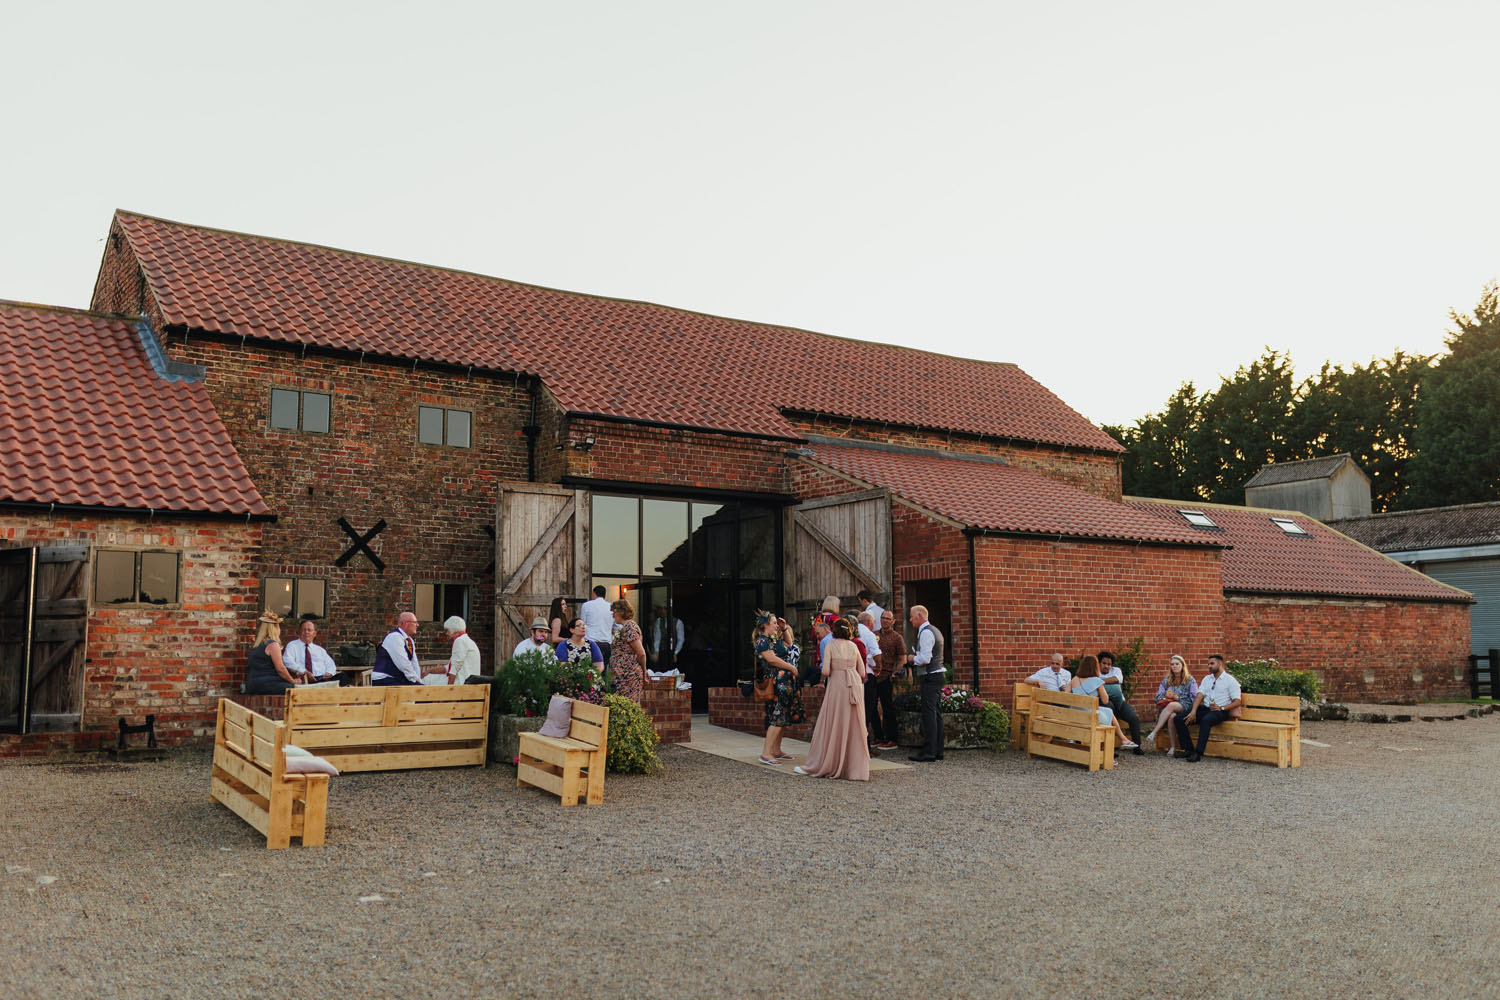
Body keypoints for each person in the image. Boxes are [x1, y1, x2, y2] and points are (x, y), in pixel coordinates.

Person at [795, 618, 870, 781]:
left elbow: (826, 670)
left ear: (834, 631)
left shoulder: (830, 645)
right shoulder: (854, 646)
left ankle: (830, 762)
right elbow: (863, 672)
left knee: (834, 721)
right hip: (854, 685)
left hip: (838, 685)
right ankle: (853, 768)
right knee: (853, 724)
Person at [754, 611, 803, 766]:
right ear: (765, 625)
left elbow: (790, 645)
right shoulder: (762, 640)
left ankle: (776, 750)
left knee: (783, 716)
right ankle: (766, 753)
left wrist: (784, 628)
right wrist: (791, 667)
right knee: (777, 716)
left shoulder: (774, 638)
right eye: (774, 623)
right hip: (777, 683)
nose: (776, 625)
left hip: (786, 682)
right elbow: (771, 659)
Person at [1174, 654, 1243, 763]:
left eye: (1212, 663)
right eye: (1208, 664)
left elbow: (1237, 701)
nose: (1209, 666)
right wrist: (1193, 711)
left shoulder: (1230, 681)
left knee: (1205, 721)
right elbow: (1199, 695)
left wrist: (1222, 708)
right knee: (1179, 719)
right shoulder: (1207, 679)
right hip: (1205, 708)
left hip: (1220, 711)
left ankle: (1198, 753)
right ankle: (1188, 750)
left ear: (1220, 664)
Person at [1069, 654, 1138, 750]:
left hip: (1076, 714)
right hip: (1090, 716)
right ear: (1095, 667)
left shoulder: (1074, 679)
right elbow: (1105, 700)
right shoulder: (1097, 681)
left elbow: (1066, 695)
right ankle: (1119, 742)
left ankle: (1122, 740)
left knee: (1108, 712)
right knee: (1108, 712)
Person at [907, 605, 946, 762]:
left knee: (929, 714)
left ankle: (929, 751)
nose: (910, 620)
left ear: (919, 616)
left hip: (931, 676)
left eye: (912, 616)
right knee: (936, 713)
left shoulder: (926, 632)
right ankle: (938, 750)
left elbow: (925, 658)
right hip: (937, 674)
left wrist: (911, 659)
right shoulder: (934, 630)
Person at [1143, 654, 1197, 754]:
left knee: (1172, 705)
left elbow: (1194, 698)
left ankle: (1154, 732)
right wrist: (1166, 697)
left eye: (1177, 664)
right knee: (1172, 716)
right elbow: (1157, 697)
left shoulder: (1190, 680)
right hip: (1168, 709)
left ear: (1182, 665)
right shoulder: (1166, 680)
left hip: (1186, 706)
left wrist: (1177, 698)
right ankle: (1172, 747)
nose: (1174, 666)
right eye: (1172, 664)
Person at [244, 609, 303, 694]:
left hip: (252, 685)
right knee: (299, 690)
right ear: (275, 627)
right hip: (268, 684)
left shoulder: (257, 646)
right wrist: (292, 681)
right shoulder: (273, 645)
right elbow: (280, 669)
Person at [1098, 650, 1144, 755]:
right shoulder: (1095, 672)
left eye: (1109, 664)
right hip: (1105, 703)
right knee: (1108, 713)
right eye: (1104, 663)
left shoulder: (1116, 670)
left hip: (1120, 703)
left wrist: (1100, 681)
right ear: (1099, 663)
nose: (1107, 666)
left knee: (1133, 718)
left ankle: (1137, 746)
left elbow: (1117, 679)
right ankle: (1111, 748)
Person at [871, 608, 904, 750]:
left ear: (893, 621)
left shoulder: (897, 638)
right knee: (871, 707)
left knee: (887, 708)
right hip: (873, 676)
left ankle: (892, 739)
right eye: (883, 618)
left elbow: (902, 657)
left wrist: (895, 672)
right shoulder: (874, 635)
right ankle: (878, 736)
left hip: (887, 676)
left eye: (887, 619)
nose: (884, 621)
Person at [857, 611, 887, 751]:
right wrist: (878, 667)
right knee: (868, 710)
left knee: (858, 711)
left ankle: (863, 743)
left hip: (854, 675)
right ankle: (865, 745)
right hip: (868, 674)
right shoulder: (869, 634)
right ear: (869, 623)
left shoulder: (854, 632)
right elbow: (876, 653)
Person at [608, 598, 647, 702]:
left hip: (628, 675)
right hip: (621, 675)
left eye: (614, 612)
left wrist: (644, 670)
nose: (613, 615)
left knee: (628, 704)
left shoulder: (630, 628)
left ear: (621, 612)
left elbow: (641, 653)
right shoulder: (624, 628)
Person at [371, 611, 422, 685]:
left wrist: (418, 680)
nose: (417, 625)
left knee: (421, 691)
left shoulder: (409, 640)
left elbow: (414, 663)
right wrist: (416, 681)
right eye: (415, 622)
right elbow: (403, 664)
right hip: (384, 679)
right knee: (420, 693)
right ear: (405, 623)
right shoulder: (395, 637)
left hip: (397, 679)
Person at [282, 619, 338, 683]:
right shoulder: (292, 646)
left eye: (309, 630)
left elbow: (331, 664)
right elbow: (287, 662)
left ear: (314, 633)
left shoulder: (319, 650)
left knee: (342, 677)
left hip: (322, 678)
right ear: (299, 632)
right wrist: (304, 671)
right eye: (304, 630)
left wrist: (329, 673)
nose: (306, 632)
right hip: (304, 678)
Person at [442, 616, 481, 685]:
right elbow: (448, 668)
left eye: (447, 630)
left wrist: (449, 688)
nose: (446, 633)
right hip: (469, 681)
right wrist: (429, 671)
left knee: (428, 680)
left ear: (454, 630)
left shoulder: (460, 641)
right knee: (430, 677)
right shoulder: (466, 640)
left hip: (462, 682)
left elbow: (455, 667)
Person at [581, 585, 615, 665]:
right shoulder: (611, 607)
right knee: (603, 670)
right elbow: (616, 625)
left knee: (589, 671)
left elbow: (582, 624)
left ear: (594, 593)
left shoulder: (586, 605)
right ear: (604, 595)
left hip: (591, 643)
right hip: (606, 644)